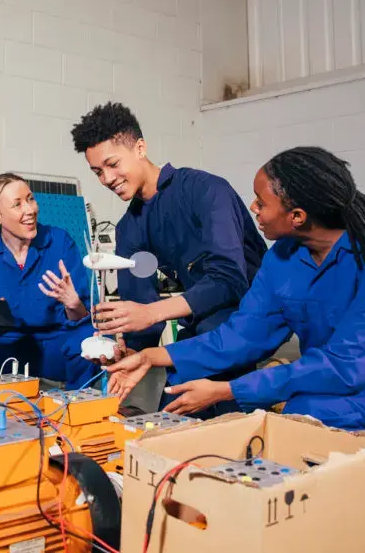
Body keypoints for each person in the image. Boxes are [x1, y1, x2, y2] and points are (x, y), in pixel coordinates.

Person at [104, 146, 365, 549]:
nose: (252, 209)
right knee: (282, 408)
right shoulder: (282, 259)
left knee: (306, 413)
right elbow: (241, 335)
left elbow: (346, 365)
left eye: (261, 203)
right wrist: (154, 356)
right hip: (325, 383)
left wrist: (232, 390)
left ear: (297, 216)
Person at [70, 102, 268, 413]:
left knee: (210, 404)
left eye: (112, 164)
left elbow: (229, 281)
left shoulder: (206, 191)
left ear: (140, 148)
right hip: (204, 322)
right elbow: (142, 310)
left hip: (250, 314)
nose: (107, 179)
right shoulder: (130, 228)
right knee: (171, 407)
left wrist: (151, 314)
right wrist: (127, 352)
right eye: (97, 172)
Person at [0, 173, 99, 389]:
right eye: (17, 204)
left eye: (30, 199)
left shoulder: (59, 242)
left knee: (87, 339)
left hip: (53, 346)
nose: (30, 209)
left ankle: (78, 409)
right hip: (5, 349)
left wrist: (73, 304)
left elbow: (82, 318)